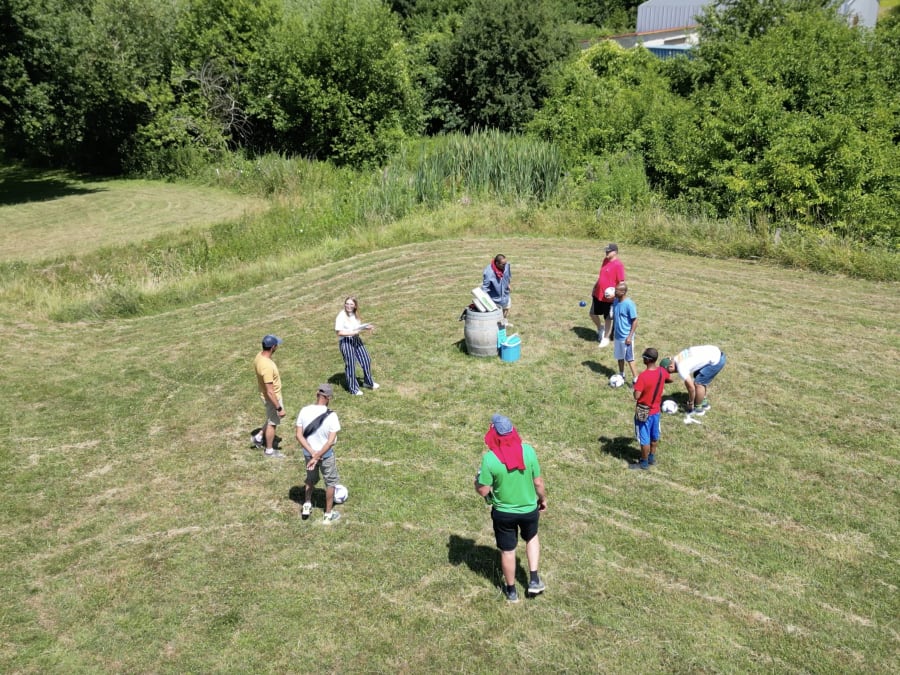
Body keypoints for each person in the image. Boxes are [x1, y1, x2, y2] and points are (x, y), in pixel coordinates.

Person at [475, 414, 548, 603]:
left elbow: (483, 490)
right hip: (529, 510)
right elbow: (538, 482)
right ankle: (533, 580)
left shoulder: (490, 459)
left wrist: (479, 484)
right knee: (531, 537)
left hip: (503, 514)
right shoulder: (528, 451)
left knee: (508, 551)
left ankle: (511, 591)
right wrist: (542, 499)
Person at [295, 383, 343, 523]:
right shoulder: (332, 416)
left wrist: (312, 454)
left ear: (317, 394)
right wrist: (318, 456)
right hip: (326, 455)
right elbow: (330, 442)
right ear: (328, 398)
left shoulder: (304, 410)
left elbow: (299, 435)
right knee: (331, 483)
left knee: (310, 479)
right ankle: (328, 515)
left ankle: (307, 504)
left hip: (308, 454)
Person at [630, 348, 671, 470]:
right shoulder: (662, 372)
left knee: (644, 439)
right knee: (654, 436)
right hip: (656, 411)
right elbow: (670, 379)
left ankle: (644, 462)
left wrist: (635, 387)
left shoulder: (643, 377)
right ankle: (652, 457)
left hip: (644, 412)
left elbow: (636, 396)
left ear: (647, 360)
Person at [660, 345, 727, 415]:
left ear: (671, 366)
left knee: (699, 383)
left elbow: (691, 388)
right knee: (697, 375)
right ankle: (703, 402)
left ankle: (698, 409)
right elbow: (672, 359)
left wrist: (690, 402)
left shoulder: (681, 368)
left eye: (669, 371)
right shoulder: (677, 358)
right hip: (714, 352)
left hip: (716, 361)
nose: (670, 373)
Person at [335, 296, 379, 396]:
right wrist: (351, 332)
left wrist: (366, 327)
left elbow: (356, 327)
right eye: (347, 303)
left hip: (356, 339)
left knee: (366, 359)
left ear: (355, 306)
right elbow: (339, 332)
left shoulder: (354, 314)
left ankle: (368, 382)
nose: (348, 306)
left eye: (351, 304)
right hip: (346, 341)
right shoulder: (341, 316)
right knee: (351, 364)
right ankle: (353, 389)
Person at [252, 334, 286, 459]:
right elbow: (270, 391)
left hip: (265, 395)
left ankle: (259, 436)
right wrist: (279, 407)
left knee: (271, 417)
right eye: (276, 344)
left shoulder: (258, 356)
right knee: (273, 422)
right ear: (273, 347)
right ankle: (269, 450)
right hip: (272, 398)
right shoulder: (267, 366)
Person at [590, 243, 626, 348]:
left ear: (615, 252)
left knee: (608, 318)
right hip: (598, 293)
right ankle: (600, 328)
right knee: (592, 314)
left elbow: (621, 283)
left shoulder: (618, 265)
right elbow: (601, 276)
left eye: (609, 251)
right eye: (606, 250)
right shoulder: (605, 260)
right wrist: (595, 286)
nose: (606, 252)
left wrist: (615, 294)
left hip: (610, 298)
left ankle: (605, 338)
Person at [611, 282, 638, 386]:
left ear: (623, 292)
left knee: (630, 359)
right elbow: (616, 318)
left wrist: (630, 337)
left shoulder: (629, 304)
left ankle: (636, 380)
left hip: (626, 337)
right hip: (618, 336)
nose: (615, 292)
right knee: (619, 357)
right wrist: (612, 331)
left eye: (616, 290)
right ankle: (621, 375)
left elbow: (635, 321)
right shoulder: (615, 302)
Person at [482, 254, 511, 325]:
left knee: (507, 307)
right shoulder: (489, 272)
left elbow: (508, 275)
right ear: (497, 263)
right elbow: (485, 288)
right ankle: (495, 326)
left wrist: (508, 284)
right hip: (495, 298)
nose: (505, 266)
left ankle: (503, 322)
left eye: (505, 263)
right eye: (503, 264)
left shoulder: (507, 266)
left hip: (505, 294)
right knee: (496, 314)